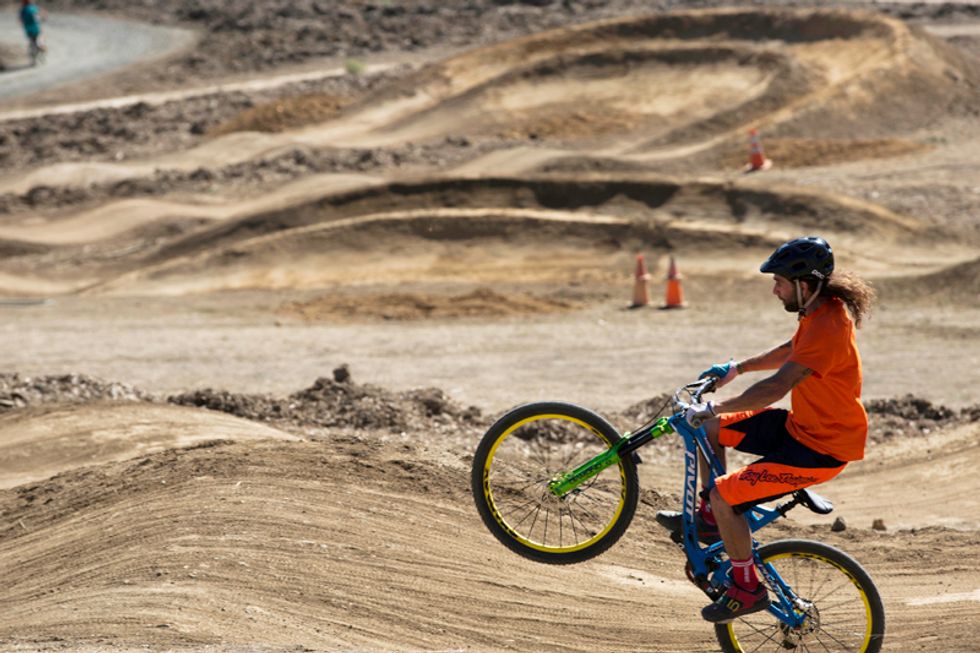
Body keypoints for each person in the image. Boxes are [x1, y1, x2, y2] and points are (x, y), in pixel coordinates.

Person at [657, 235, 876, 624]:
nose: (774, 290)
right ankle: (710, 520)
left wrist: (715, 405)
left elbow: (776, 387)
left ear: (803, 284)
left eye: (778, 282)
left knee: (726, 494)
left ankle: (747, 587)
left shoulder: (828, 325)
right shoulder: (819, 310)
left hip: (820, 451)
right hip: (799, 428)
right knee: (710, 430)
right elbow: (791, 350)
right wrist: (736, 369)